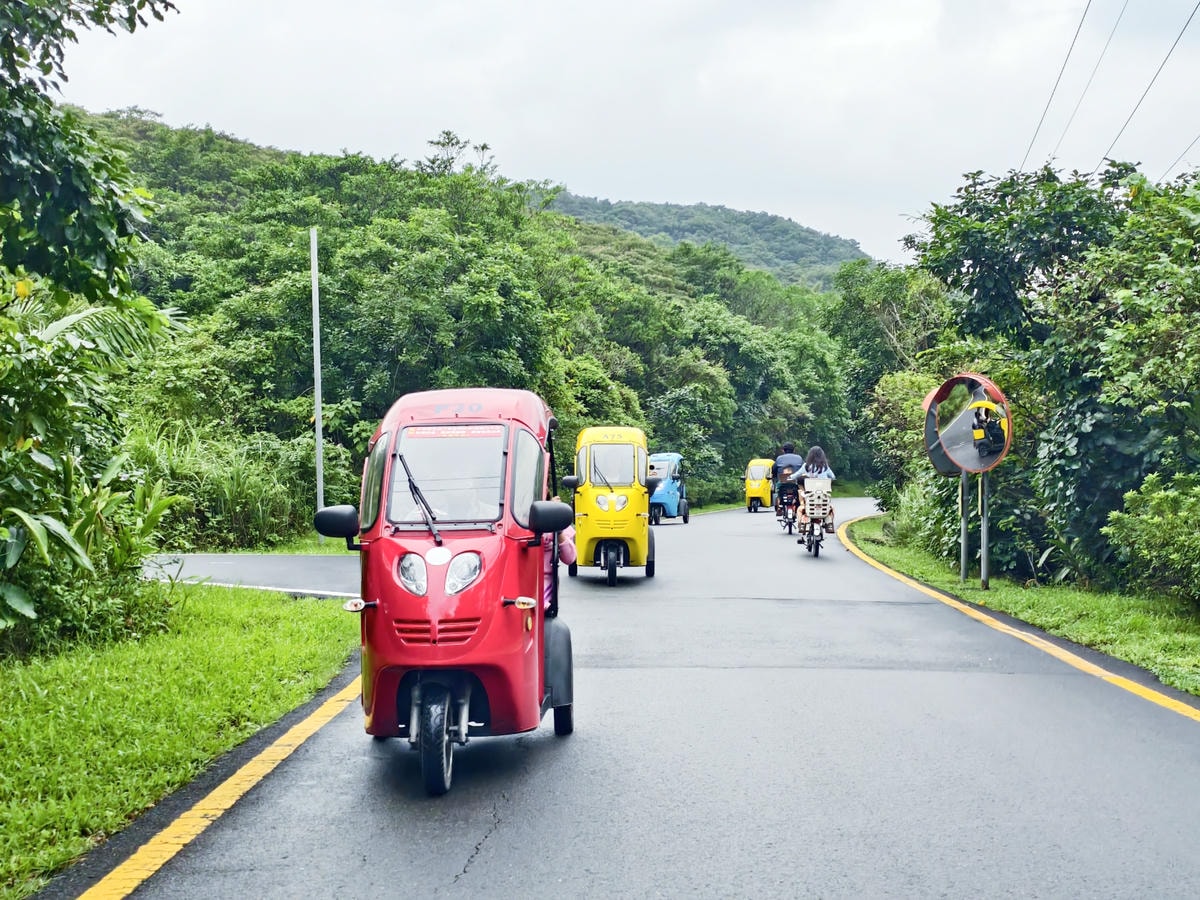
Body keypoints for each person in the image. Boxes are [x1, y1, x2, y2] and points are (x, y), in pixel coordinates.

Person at [542, 497, 577, 611]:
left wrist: (557, 526)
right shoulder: (517, 518)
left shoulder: (554, 522)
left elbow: (570, 558)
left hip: (543, 585)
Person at [797, 445, 836, 532]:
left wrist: (790, 477)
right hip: (823, 498)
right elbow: (833, 477)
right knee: (831, 508)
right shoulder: (825, 466)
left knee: (800, 509)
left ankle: (802, 524)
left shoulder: (806, 466)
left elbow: (796, 475)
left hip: (810, 498)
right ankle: (829, 524)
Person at [771, 442, 806, 517]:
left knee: (778, 491)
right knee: (801, 491)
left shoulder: (779, 458)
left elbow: (773, 469)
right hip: (795, 482)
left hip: (782, 482)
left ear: (783, 450)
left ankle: (779, 506)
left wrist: (774, 476)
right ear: (794, 450)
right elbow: (804, 469)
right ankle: (801, 505)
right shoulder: (799, 458)